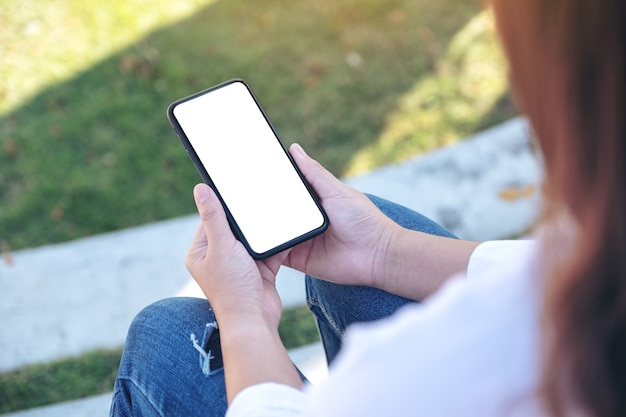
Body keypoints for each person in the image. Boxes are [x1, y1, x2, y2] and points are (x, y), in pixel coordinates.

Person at [110, 0, 625, 415]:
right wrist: (384, 250)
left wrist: (245, 316)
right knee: (365, 249)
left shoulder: (437, 371)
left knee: (168, 336)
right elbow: (552, 269)